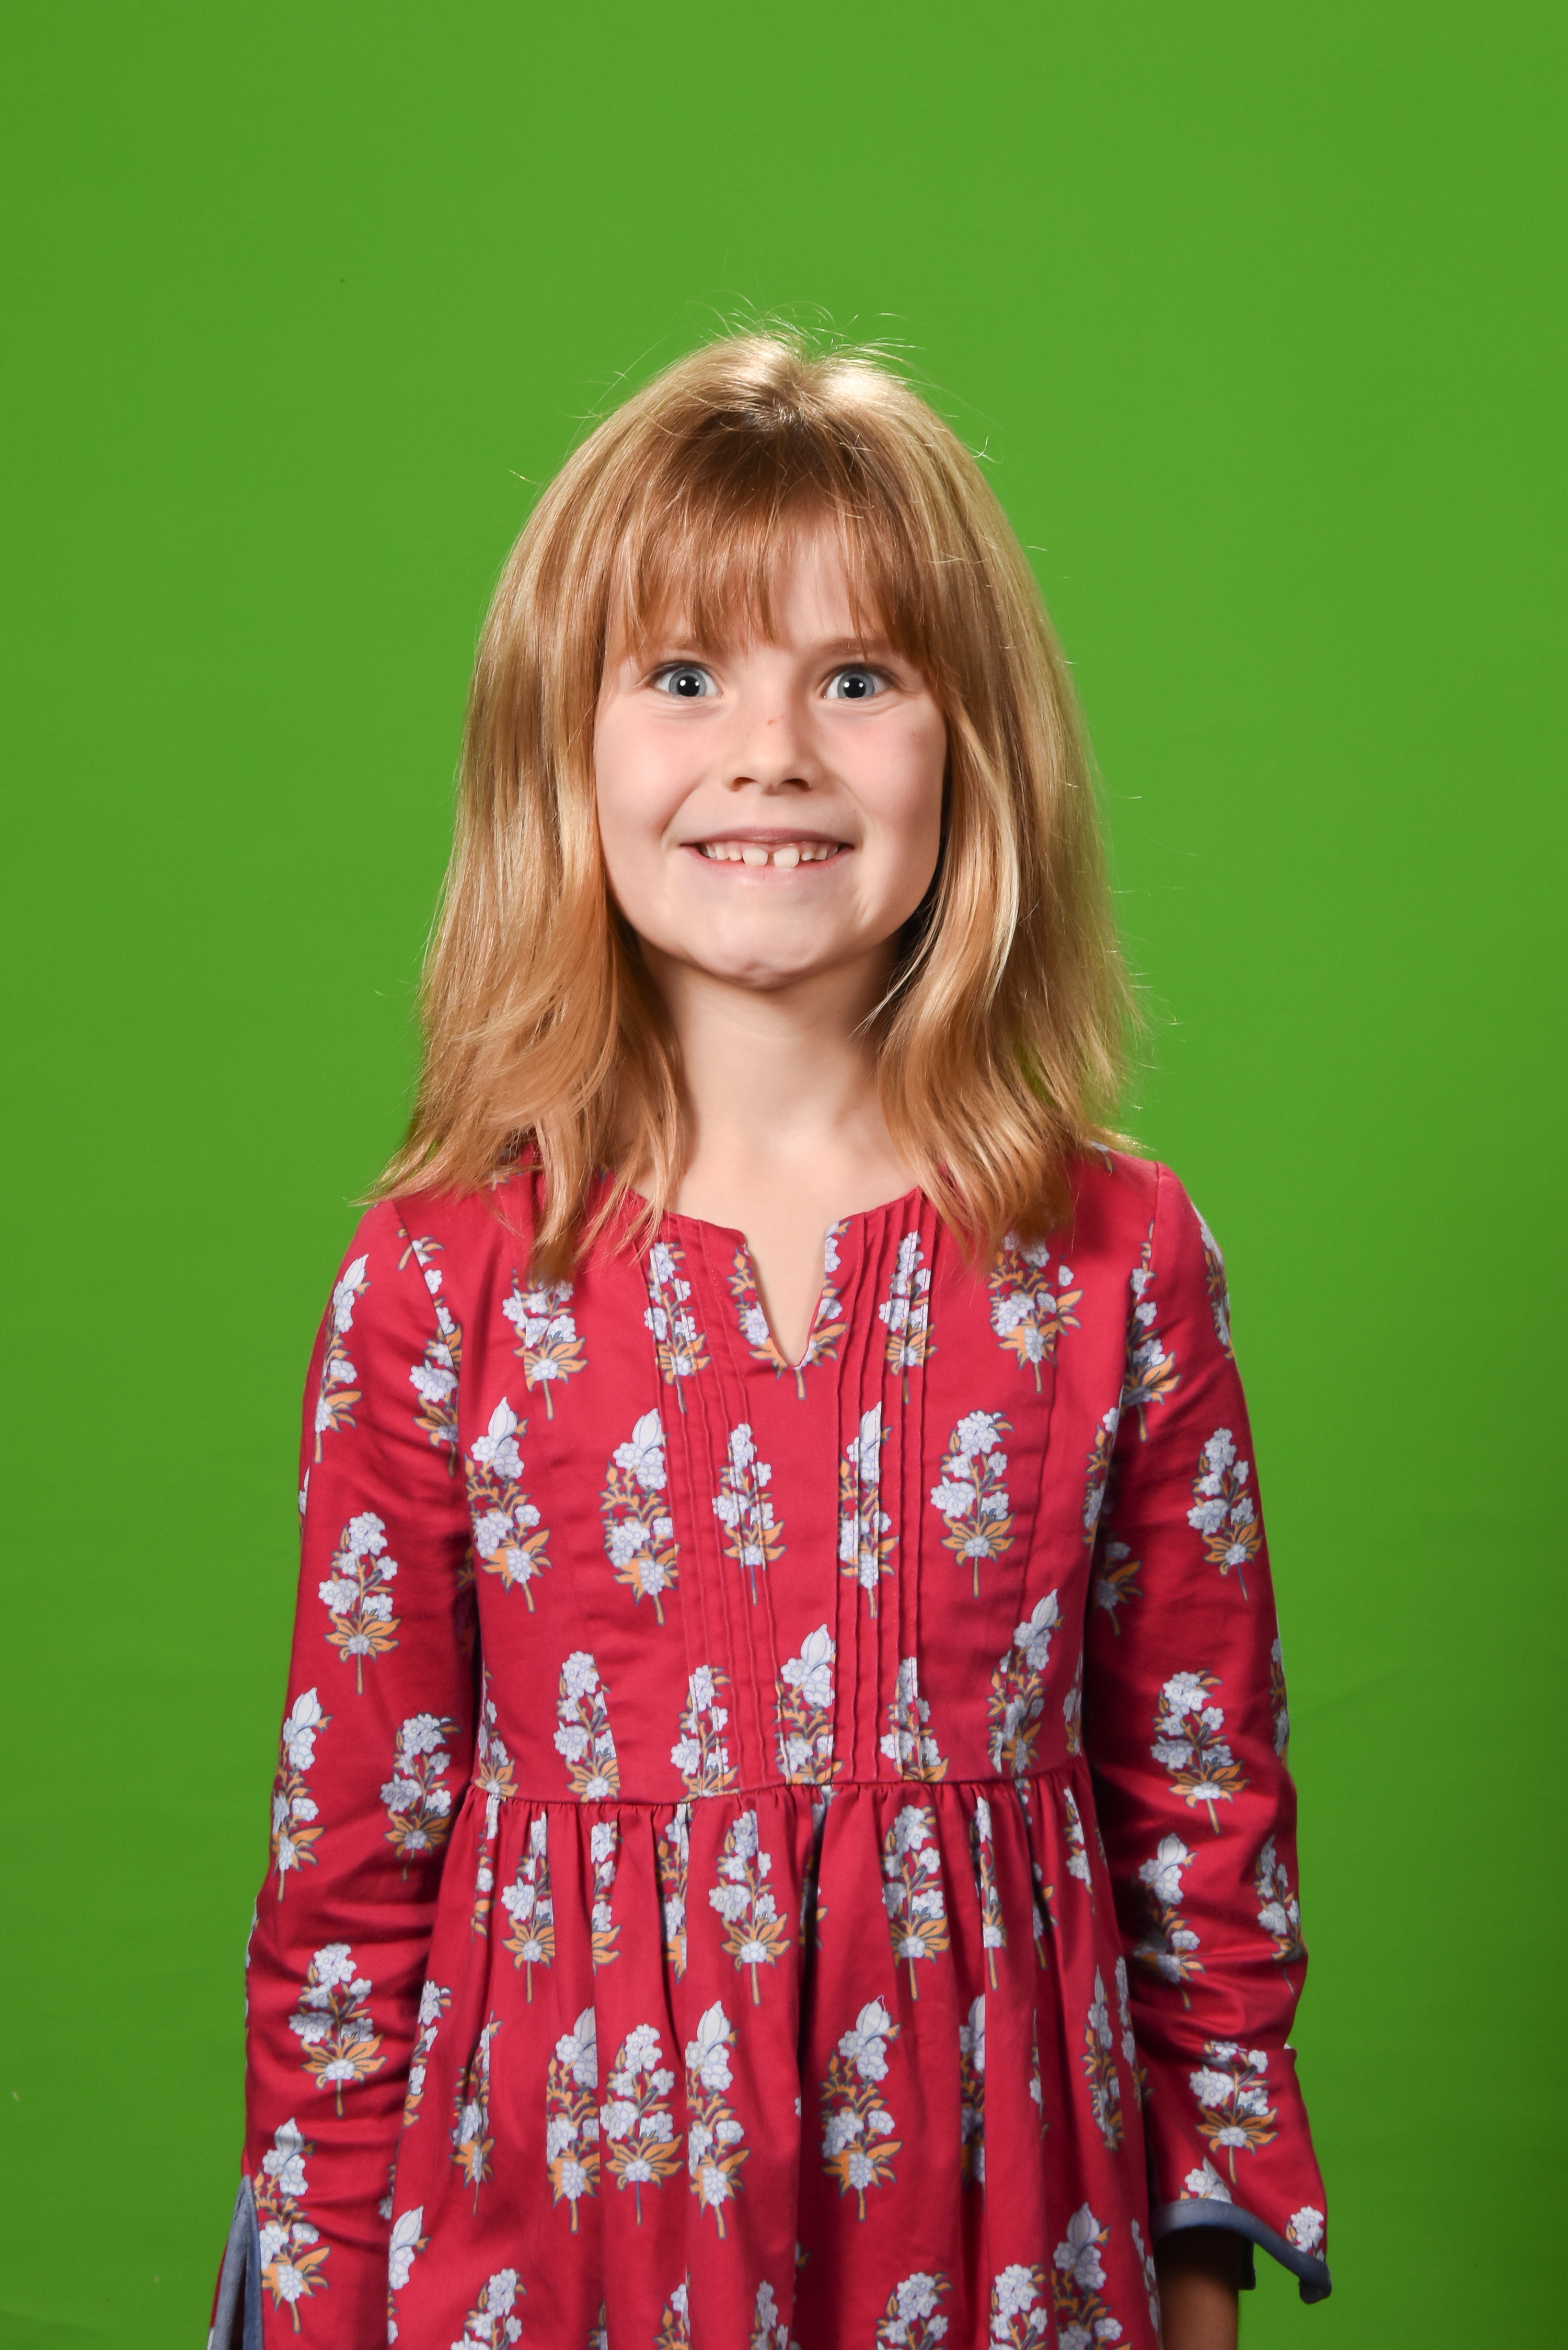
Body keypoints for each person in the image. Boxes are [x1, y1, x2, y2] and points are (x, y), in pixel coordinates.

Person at [210, 333, 1331, 2350]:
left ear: (975, 747)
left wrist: (1196, 2280)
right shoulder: (440, 1280)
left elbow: (1202, 1822)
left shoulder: (1118, 1262)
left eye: (860, 678)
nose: (772, 753)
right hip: (552, 2265)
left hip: (1008, 2256)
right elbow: (348, 1879)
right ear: (560, 746)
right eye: (683, 676)